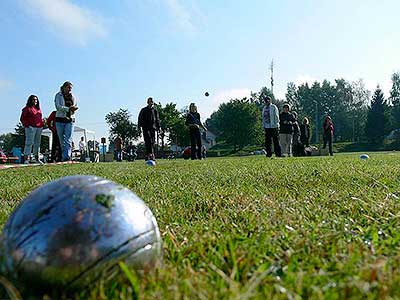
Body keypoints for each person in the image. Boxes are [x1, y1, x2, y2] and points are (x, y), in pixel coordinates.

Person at [55, 81, 78, 161]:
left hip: (70, 120)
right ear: (64, 87)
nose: (69, 90)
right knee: (62, 140)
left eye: (71, 88)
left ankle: (66, 157)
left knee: (68, 139)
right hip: (60, 120)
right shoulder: (58, 95)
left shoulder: (73, 97)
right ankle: (63, 155)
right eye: (68, 88)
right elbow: (58, 107)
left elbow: (74, 106)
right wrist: (68, 109)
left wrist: (73, 109)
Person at [20, 95, 44, 164]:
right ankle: (26, 159)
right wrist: (27, 126)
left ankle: (37, 158)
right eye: (33, 99)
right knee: (29, 143)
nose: (35, 101)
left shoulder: (38, 109)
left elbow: (40, 118)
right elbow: (22, 118)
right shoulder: (26, 108)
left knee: (37, 143)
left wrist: (42, 125)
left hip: (39, 128)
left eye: (36, 100)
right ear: (30, 100)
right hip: (30, 127)